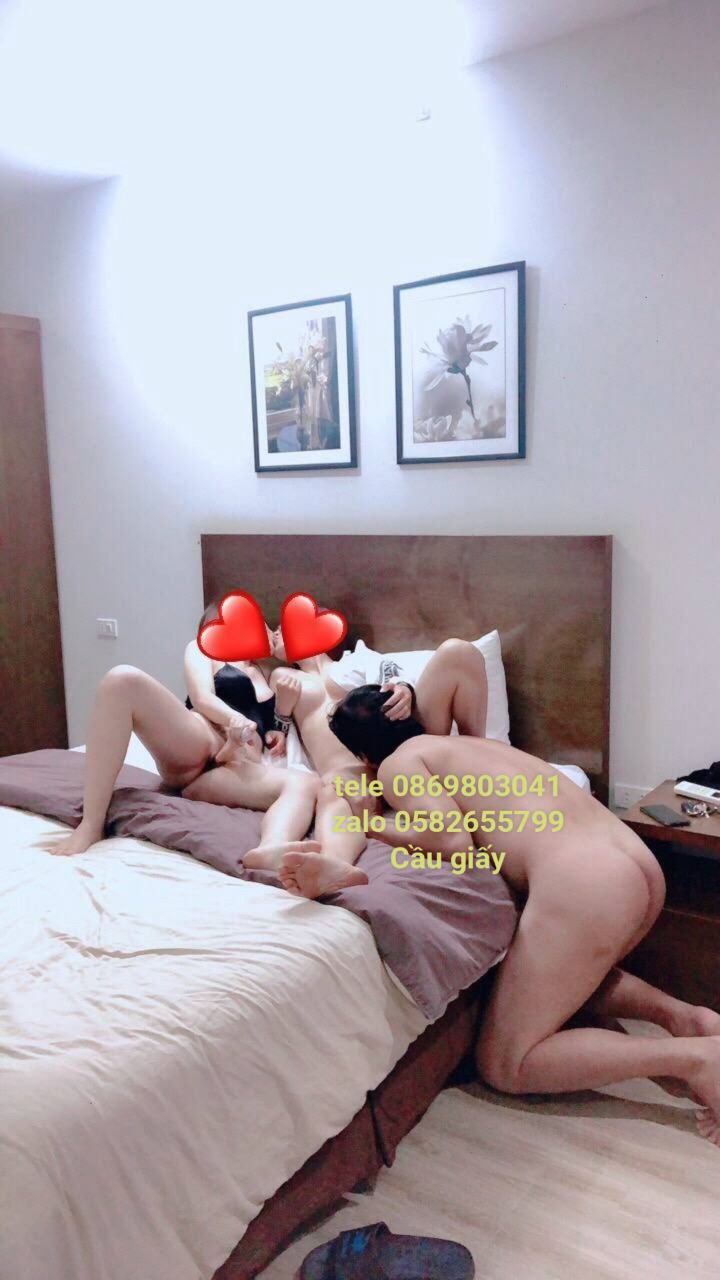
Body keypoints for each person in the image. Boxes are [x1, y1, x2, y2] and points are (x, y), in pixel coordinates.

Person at [318, 685, 720, 1146]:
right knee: (568, 982)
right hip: (635, 862)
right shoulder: (465, 744)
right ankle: (687, 1019)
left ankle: (693, 1059)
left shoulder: (397, 765)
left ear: (365, 757)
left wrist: (368, 822)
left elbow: (451, 840)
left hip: (588, 882)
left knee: (506, 1063)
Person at [46, 604, 318, 860]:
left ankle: (271, 850)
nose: (272, 632)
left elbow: (285, 718)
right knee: (122, 679)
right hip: (200, 741)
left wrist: (279, 725)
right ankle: (91, 824)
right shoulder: (204, 651)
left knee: (306, 784)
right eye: (265, 625)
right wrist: (234, 720)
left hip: (234, 768)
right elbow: (201, 698)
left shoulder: (272, 671)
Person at [262, 631, 488, 896]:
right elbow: (268, 730)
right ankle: (334, 864)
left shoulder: (358, 659)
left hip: (403, 741)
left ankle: (477, 756)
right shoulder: (281, 676)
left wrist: (405, 689)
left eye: (283, 626)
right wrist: (281, 714)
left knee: (458, 652)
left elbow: (399, 680)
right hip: (352, 769)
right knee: (336, 792)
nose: (275, 632)